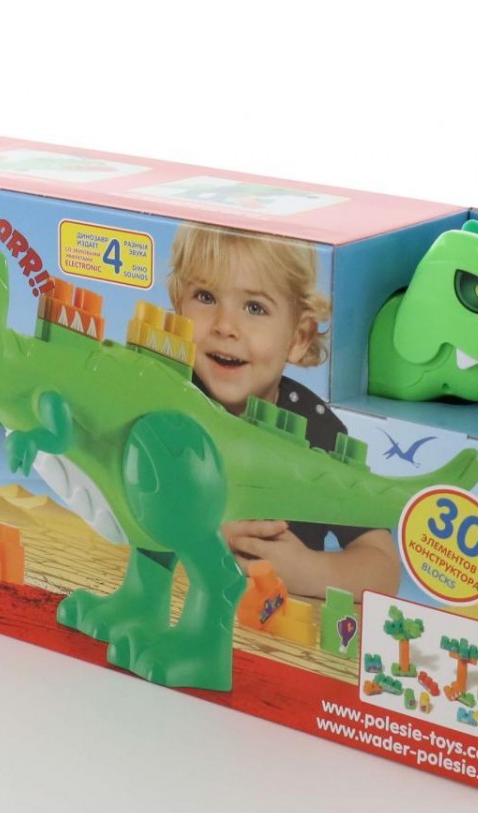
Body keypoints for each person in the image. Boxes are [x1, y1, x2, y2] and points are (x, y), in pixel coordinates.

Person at [167, 223, 399, 600]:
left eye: (254, 307)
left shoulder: (318, 432)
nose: (225, 326)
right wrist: (200, 537)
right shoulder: (165, 400)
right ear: (179, 309)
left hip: (279, 625)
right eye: (205, 296)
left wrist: (309, 570)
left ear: (299, 337)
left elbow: (384, 569)